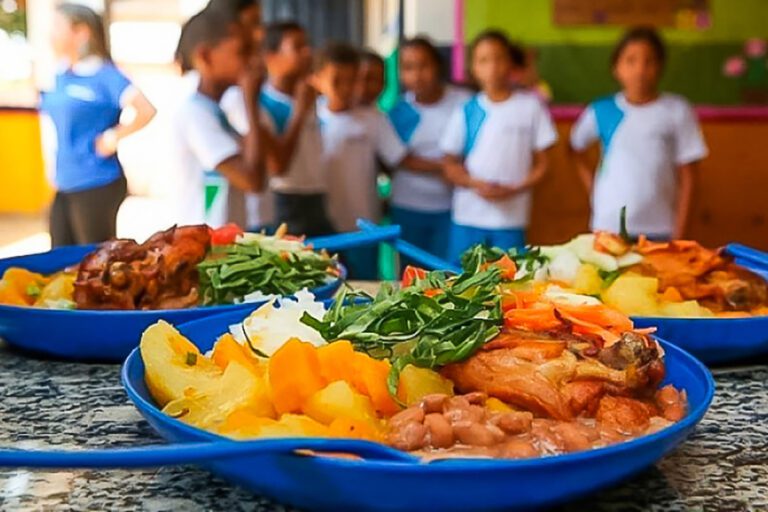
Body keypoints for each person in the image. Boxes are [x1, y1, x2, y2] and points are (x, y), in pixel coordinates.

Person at [571, 27, 707, 240]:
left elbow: (689, 176)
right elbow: (575, 149)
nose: (640, 70)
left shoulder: (677, 110)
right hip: (608, 226)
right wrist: (593, 188)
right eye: (630, 60)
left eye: (649, 61)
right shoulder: (600, 110)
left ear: (661, 66)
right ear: (616, 68)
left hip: (660, 227)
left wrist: (680, 235)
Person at [41, 3, 156, 247]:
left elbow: (146, 110)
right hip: (64, 182)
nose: (50, 34)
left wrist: (112, 138)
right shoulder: (62, 74)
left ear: (81, 33)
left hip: (96, 182)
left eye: (57, 27)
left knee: (93, 261)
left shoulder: (107, 76)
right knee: (59, 259)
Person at [440, 30, 557, 261]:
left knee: (510, 285)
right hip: (468, 218)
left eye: (499, 58)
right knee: (461, 283)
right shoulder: (466, 110)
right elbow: (448, 164)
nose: (492, 66)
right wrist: (474, 183)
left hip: (511, 219)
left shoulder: (530, 107)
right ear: (473, 67)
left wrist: (516, 187)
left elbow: (544, 164)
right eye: (484, 60)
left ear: (510, 63)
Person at [314, 42, 408, 279]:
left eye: (352, 80)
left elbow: (398, 159)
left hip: (363, 227)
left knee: (364, 289)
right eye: (337, 80)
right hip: (322, 227)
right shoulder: (309, 119)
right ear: (318, 79)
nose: (346, 89)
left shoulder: (373, 118)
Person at [166, 8, 266, 227]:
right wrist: (251, 103)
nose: (254, 61)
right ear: (205, 56)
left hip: (223, 242)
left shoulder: (215, 111)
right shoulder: (194, 114)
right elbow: (252, 180)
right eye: (243, 51)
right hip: (205, 246)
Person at [388, 36, 470, 261]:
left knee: (447, 276)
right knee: (410, 276)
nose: (417, 75)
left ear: (438, 66)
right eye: (408, 68)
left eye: (424, 65)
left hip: (450, 208)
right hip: (408, 207)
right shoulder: (399, 111)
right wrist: (447, 166)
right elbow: (401, 159)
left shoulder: (464, 103)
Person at [260, 21, 334, 237]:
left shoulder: (309, 94)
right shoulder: (265, 103)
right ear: (271, 56)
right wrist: (299, 112)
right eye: (297, 47)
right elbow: (277, 166)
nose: (307, 52)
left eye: (307, 45)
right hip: (289, 199)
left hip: (316, 194)